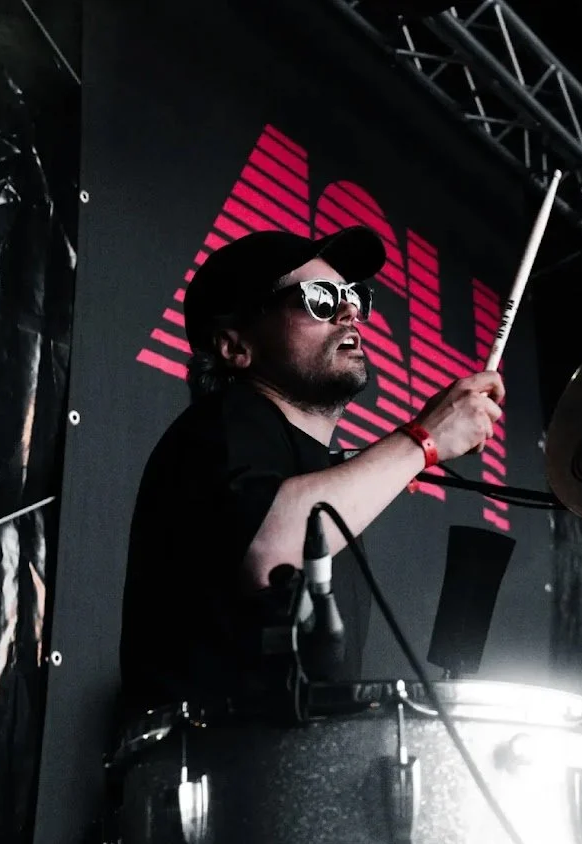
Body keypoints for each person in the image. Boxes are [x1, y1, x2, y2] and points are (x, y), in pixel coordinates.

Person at [119, 226, 504, 714]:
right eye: (319, 299)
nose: (348, 312)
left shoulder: (315, 473)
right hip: (215, 776)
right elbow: (271, 553)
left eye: (351, 297)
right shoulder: (222, 424)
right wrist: (424, 440)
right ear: (236, 347)